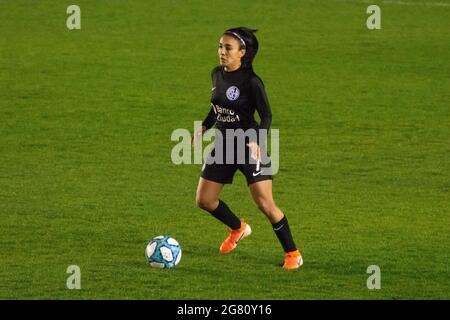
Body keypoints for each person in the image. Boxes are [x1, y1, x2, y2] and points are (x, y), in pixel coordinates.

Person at [192, 27, 303, 269]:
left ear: (242, 52)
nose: (222, 52)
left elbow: (266, 115)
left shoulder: (252, 82)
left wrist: (258, 141)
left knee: (265, 203)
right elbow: (217, 107)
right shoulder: (216, 74)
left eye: (228, 48)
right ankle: (238, 228)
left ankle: (293, 254)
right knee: (204, 200)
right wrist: (204, 127)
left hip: (248, 145)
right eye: (220, 46)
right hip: (223, 144)